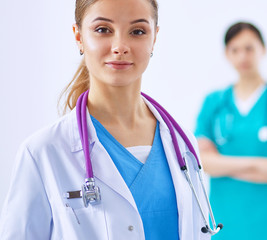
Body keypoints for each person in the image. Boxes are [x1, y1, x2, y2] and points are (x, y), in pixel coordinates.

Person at [0, 0, 215, 239]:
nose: (120, 46)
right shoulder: (43, 152)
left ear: (154, 37)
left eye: (137, 31)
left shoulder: (183, 144)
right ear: (78, 36)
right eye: (103, 30)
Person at [195, 22, 267, 240]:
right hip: (226, 220)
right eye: (235, 50)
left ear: (262, 50)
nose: (242, 56)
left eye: (249, 48)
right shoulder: (214, 103)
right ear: (226, 54)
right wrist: (263, 164)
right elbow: (203, 162)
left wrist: (222, 164)